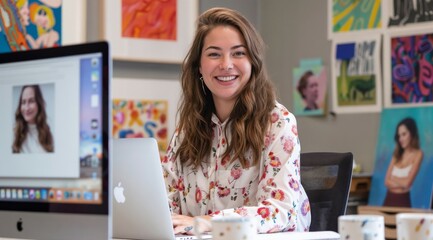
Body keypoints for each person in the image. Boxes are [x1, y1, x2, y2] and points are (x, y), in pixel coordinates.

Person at [162, 7, 311, 236]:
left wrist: (205, 222)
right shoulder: (186, 131)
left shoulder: (278, 123)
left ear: (253, 62)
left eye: (238, 53)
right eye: (214, 54)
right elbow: (165, 204)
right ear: (199, 66)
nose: (226, 64)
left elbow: (280, 211)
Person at [383, 117, 423, 207]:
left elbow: (407, 183)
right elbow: (386, 181)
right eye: (399, 135)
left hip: (403, 200)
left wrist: (393, 178)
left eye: (404, 134)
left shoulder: (418, 154)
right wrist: (402, 183)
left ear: (412, 133)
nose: (400, 139)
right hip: (389, 199)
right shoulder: (396, 154)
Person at [12, 85, 54, 153]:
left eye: (31, 101)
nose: (27, 108)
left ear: (39, 103)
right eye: (23, 102)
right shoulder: (14, 135)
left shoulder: (48, 135)